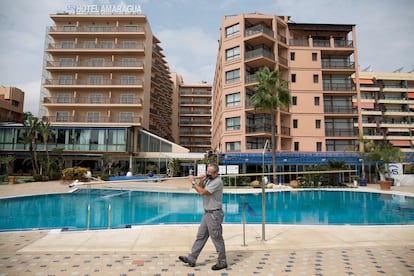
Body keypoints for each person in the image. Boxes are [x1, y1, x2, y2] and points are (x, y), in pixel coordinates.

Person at [178, 163, 228, 270]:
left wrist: (192, 181)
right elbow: (199, 188)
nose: (208, 174)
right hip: (207, 213)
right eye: (207, 172)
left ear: (216, 173)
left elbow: (202, 192)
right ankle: (192, 258)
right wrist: (200, 181)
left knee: (217, 238)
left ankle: (222, 261)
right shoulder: (210, 180)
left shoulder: (217, 181)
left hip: (214, 214)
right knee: (201, 236)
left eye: (210, 172)